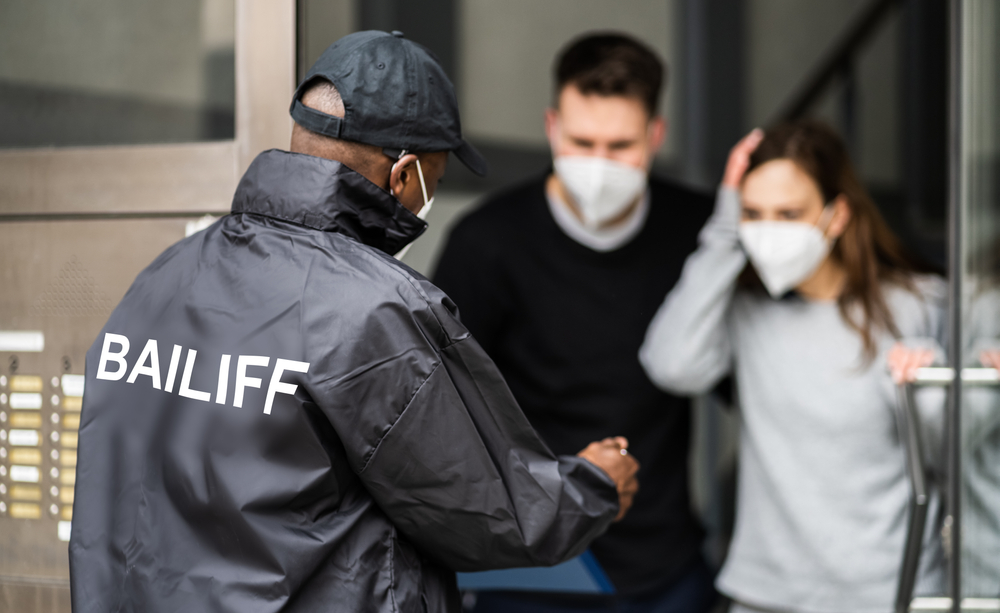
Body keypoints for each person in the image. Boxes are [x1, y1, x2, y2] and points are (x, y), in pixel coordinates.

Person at [69, 30, 641, 613]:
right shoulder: (376, 310)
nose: (428, 199)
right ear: (404, 175)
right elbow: (492, 514)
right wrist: (594, 486)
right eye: (435, 181)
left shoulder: (163, 278)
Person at [434, 33, 717, 612]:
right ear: (552, 127)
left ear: (655, 137)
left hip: (664, 570)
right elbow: (442, 409)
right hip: (531, 570)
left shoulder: (697, 232)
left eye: (621, 146)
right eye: (583, 142)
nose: (600, 165)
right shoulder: (488, 243)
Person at [639, 120, 947, 613]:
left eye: (789, 213)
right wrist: (723, 231)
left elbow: (953, 451)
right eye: (754, 214)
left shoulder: (922, 305)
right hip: (765, 596)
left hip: (893, 595)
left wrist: (932, 382)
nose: (769, 231)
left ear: (837, 214)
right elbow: (671, 365)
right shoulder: (743, 311)